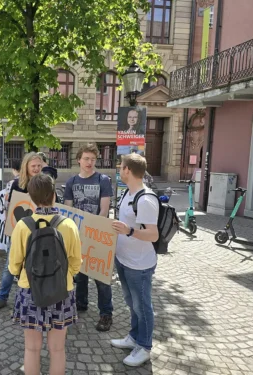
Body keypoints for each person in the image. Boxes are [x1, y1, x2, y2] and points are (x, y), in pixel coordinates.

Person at [9, 174, 82, 375]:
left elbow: (14, 263)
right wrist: (66, 276)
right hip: (62, 291)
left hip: (30, 290)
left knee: (31, 348)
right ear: (54, 195)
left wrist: (18, 274)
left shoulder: (23, 225)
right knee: (57, 349)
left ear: (31, 198)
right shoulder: (68, 224)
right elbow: (76, 263)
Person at [110, 154, 159, 367]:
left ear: (128, 170)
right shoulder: (127, 194)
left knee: (143, 306)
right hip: (124, 259)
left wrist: (129, 230)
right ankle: (134, 337)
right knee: (132, 303)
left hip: (139, 264)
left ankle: (145, 347)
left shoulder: (146, 199)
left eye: (121, 167)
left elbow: (153, 235)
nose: (119, 170)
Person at [63, 143, 115, 332]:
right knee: (80, 272)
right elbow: (68, 209)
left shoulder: (103, 180)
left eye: (93, 159)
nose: (89, 162)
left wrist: (93, 230)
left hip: (98, 235)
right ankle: (81, 303)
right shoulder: (71, 183)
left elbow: (104, 209)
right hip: (78, 235)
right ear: (78, 159)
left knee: (101, 277)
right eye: (86, 159)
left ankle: (106, 313)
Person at [0, 152, 43, 313]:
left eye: (39, 166)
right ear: (26, 166)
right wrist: (9, 226)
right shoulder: (16, 184)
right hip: (17, 231)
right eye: (34, 166)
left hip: (38, 232)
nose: (37, 169)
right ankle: (2, 297)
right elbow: (9, 208)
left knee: (36, 265)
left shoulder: (45, 183)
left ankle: (36, 298)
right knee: (10, 265)